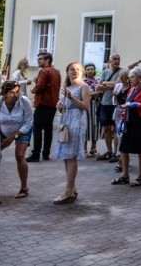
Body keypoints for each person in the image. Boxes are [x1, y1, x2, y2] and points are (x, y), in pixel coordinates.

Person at [111, 67, 141, 187]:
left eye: (132, 77)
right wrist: (122, 119)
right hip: (129, 122)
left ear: (140, 78)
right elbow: (127, 105)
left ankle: (140, 177)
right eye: (130, 77)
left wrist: (138, 105)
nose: (130, 79)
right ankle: (125, 175)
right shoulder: (131, 90)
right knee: (123, 149)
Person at [53, 62, 91, 204]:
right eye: (71, 69)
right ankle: (72, 189)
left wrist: (71, 98)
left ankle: (68, 190)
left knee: (71, 156)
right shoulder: (67, 88)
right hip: (66, 122)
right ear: (67, 72)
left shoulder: (84, 87)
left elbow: (86, 106)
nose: (74, 72)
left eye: (77, 69)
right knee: (65, 156)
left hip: (77, 123)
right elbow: (64, 108)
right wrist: (60, 106)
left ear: (81, 72)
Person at [0, 81, 33, 204]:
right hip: (3, 130)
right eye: (11, 93)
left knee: (20, 155)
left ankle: (24, 187)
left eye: (17, 92)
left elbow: (29, 121)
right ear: (4, 94)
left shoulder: (24, 101)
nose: (15, 95)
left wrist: (13, 137)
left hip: (22, 129)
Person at [27, 52, 60, 162]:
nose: (38, 60)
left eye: (41, 59)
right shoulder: (56, 71)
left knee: (37, 129)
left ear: (47, 60)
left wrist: (33, 90)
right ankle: (46, 153)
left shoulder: (44, 71)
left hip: (44, 103)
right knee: (48, 129)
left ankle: (36, 154)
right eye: (38, 58)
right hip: (53, 103)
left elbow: (40, 86)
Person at [95, 53, 125, 163]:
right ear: (109, 61)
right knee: (106, 128)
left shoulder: (122, 72)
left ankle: (117, 153)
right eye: (114, 59)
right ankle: (109, 151)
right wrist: (109, 85)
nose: (117, 61)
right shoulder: (105, 72)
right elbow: (98, 87)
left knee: (115, 129)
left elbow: (118, 84)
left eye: (118, 59)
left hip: (116, 104)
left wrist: (105, 83)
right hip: (105, 103)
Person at [83, 63, 100, 157]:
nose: (90, 71)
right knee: (86, 126)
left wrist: (97, 93)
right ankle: (84, 148)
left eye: (92, 69)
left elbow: (101, 92)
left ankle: (93, 148)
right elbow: (84, 95)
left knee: (95, 126)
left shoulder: (98, 81)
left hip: (97, 105)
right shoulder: (83, 82)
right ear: (85, 71)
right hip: (87, 106)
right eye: (88, 69)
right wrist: (95, 93)